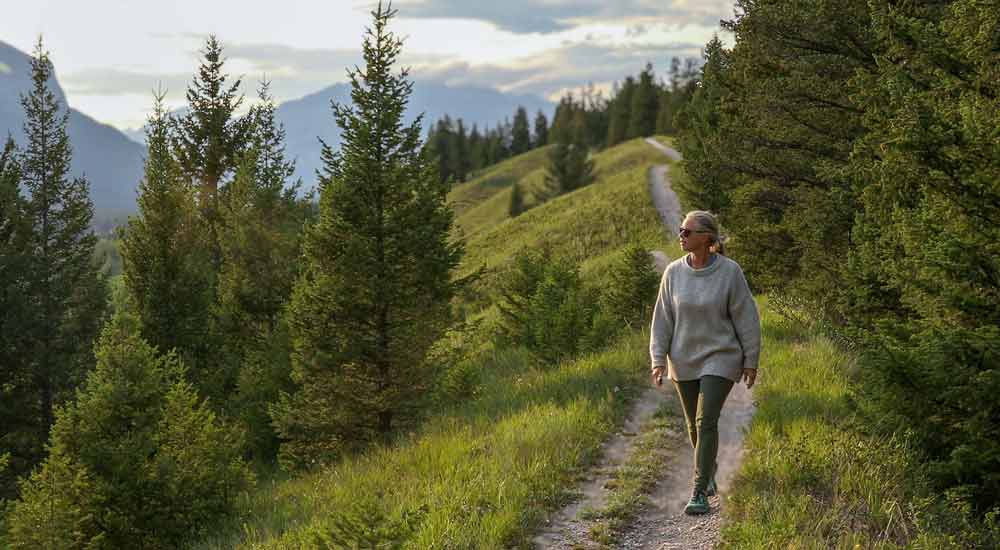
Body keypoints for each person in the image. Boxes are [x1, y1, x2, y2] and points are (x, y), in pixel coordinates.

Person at [649, 210, 761, 515]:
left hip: (721, 356)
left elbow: (746, 317)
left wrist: (750, 360)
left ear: (707, 238)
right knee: (692, 425)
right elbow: (662, 321)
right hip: (683, 358)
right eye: (681, 231)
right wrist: (658, 360)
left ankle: (698, 492)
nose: (681, 236)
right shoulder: (673, 272)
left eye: (687, 232)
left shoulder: (730, 272)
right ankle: (708, 470)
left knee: (705, 420)